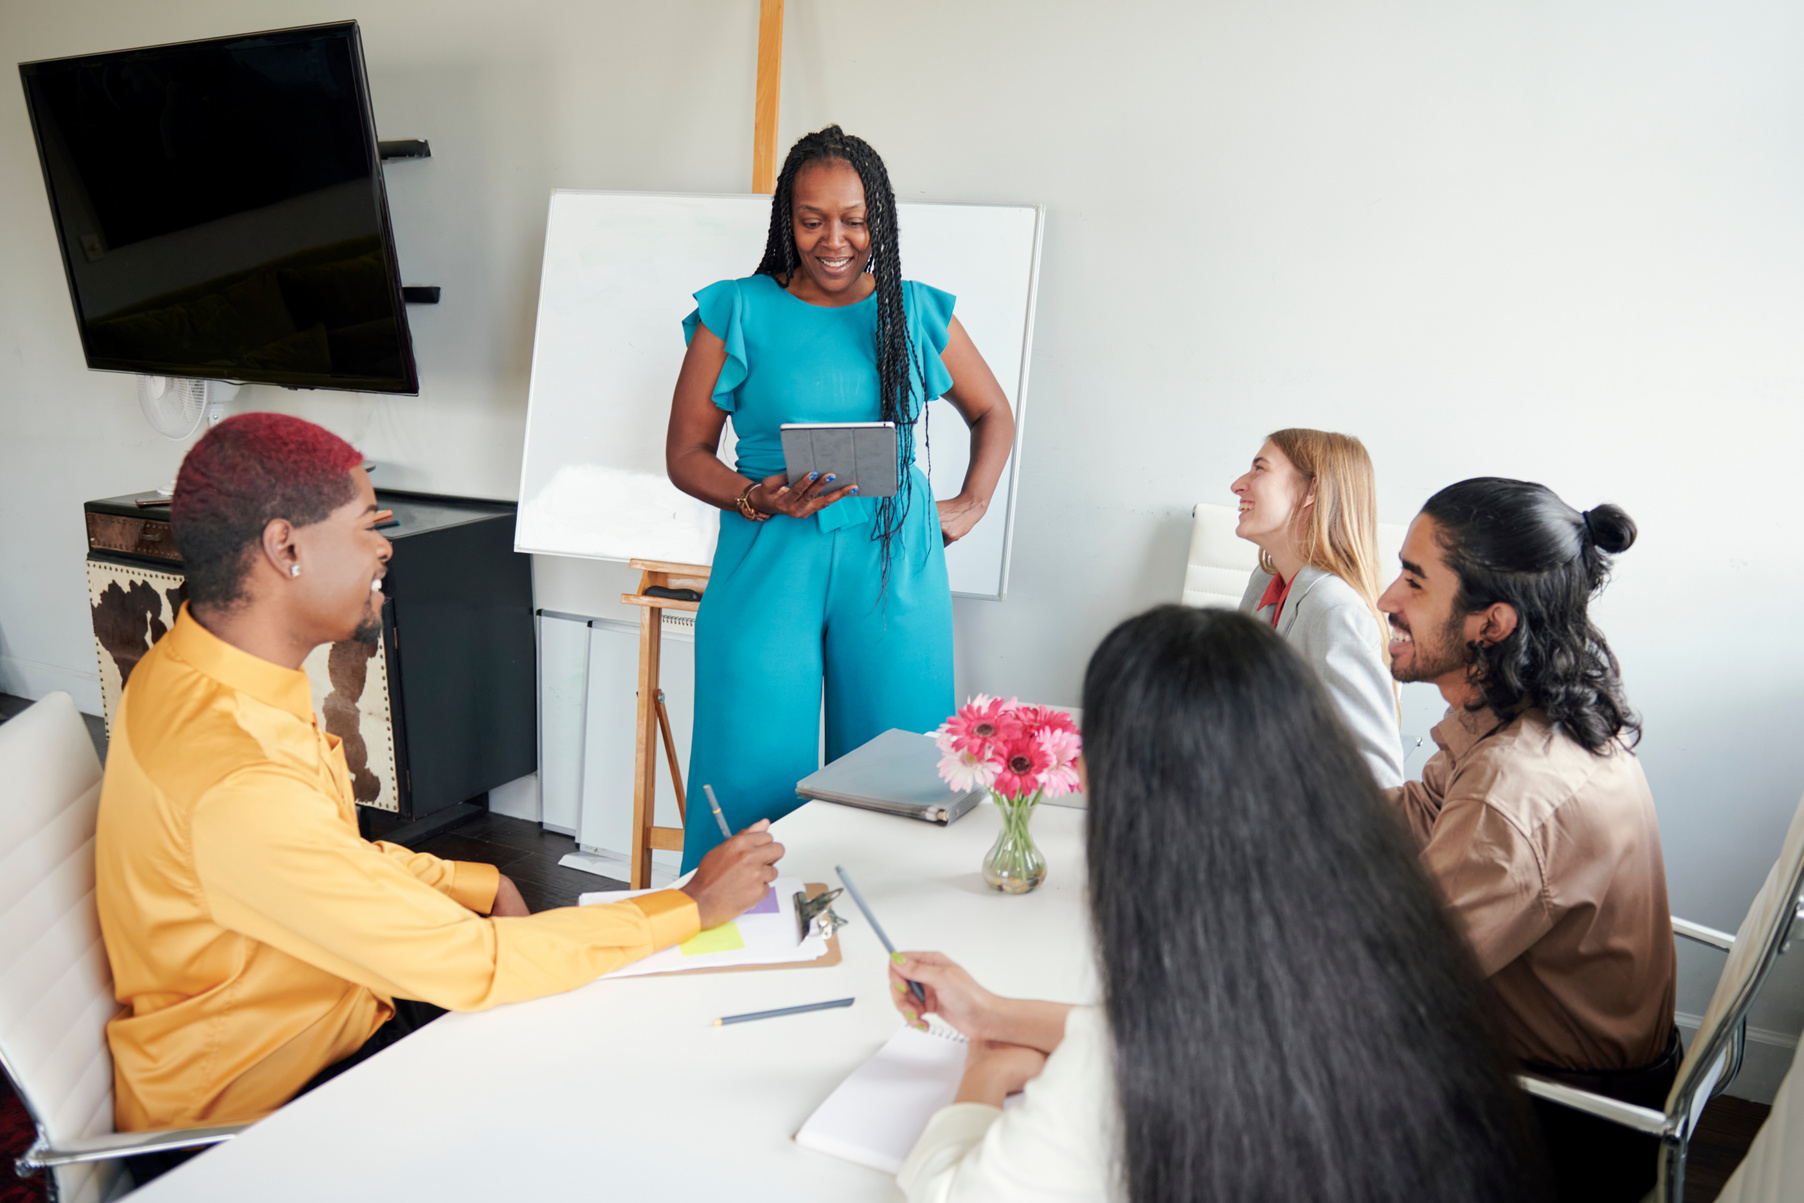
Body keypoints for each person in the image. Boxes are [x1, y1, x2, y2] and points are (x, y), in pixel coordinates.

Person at [95, 414, 784, 1152]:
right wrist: (688, 903)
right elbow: (473, 962)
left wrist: (470, 881)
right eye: (368, 525)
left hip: (332, 1011)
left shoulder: (186, 669)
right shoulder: (236, 776)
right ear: (285, 547)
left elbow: (318, 854)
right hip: (260, 1116)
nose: (385, 546)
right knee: (612, 1104)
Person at [890, 606, 1548, 1202]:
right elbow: (1205, 1027)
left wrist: (984, 1070)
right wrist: (994, 1013)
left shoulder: (1117, 1079)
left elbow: (948, 1190)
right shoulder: (1381, 957)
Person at [666, 125, 1015, 871]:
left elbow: (994, 413)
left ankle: (883, 952)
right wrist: (755, 494)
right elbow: (685, 455)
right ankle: (744, 947)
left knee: (900, 773)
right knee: (750, 771)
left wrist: (971, 503)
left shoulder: (914, 311)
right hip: (769, 556)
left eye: (855, 219)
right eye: (812, 218)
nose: (836, 239)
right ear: (785, 220)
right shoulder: (736, 310)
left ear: (879, 220)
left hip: (894, 560)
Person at [1377, 477, 1676, 1202]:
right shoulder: (1528, 713)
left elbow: (1388, 990)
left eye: (1415, 580)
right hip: (1543, 1073)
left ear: (1493, 621)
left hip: (1548, 1125)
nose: (1387, 597)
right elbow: (1423, 809)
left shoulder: (1514, 794)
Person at [1230, 428, 1405, 787]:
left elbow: (1377, 782)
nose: (1238, 484)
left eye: (1259, 469)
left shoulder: (1336, 611)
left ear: (1312, 491)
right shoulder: (1266, 581)